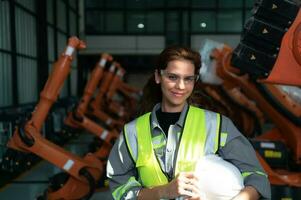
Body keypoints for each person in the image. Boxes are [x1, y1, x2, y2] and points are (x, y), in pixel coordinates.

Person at [106, 46, 271, 200]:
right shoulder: (132, 132)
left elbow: (256, 176)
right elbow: (119, 186)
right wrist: (164, 191)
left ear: (195, 80)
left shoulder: (218, 125)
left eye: (188, 79)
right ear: (158, 76)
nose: (180, 86)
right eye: (172, 77)